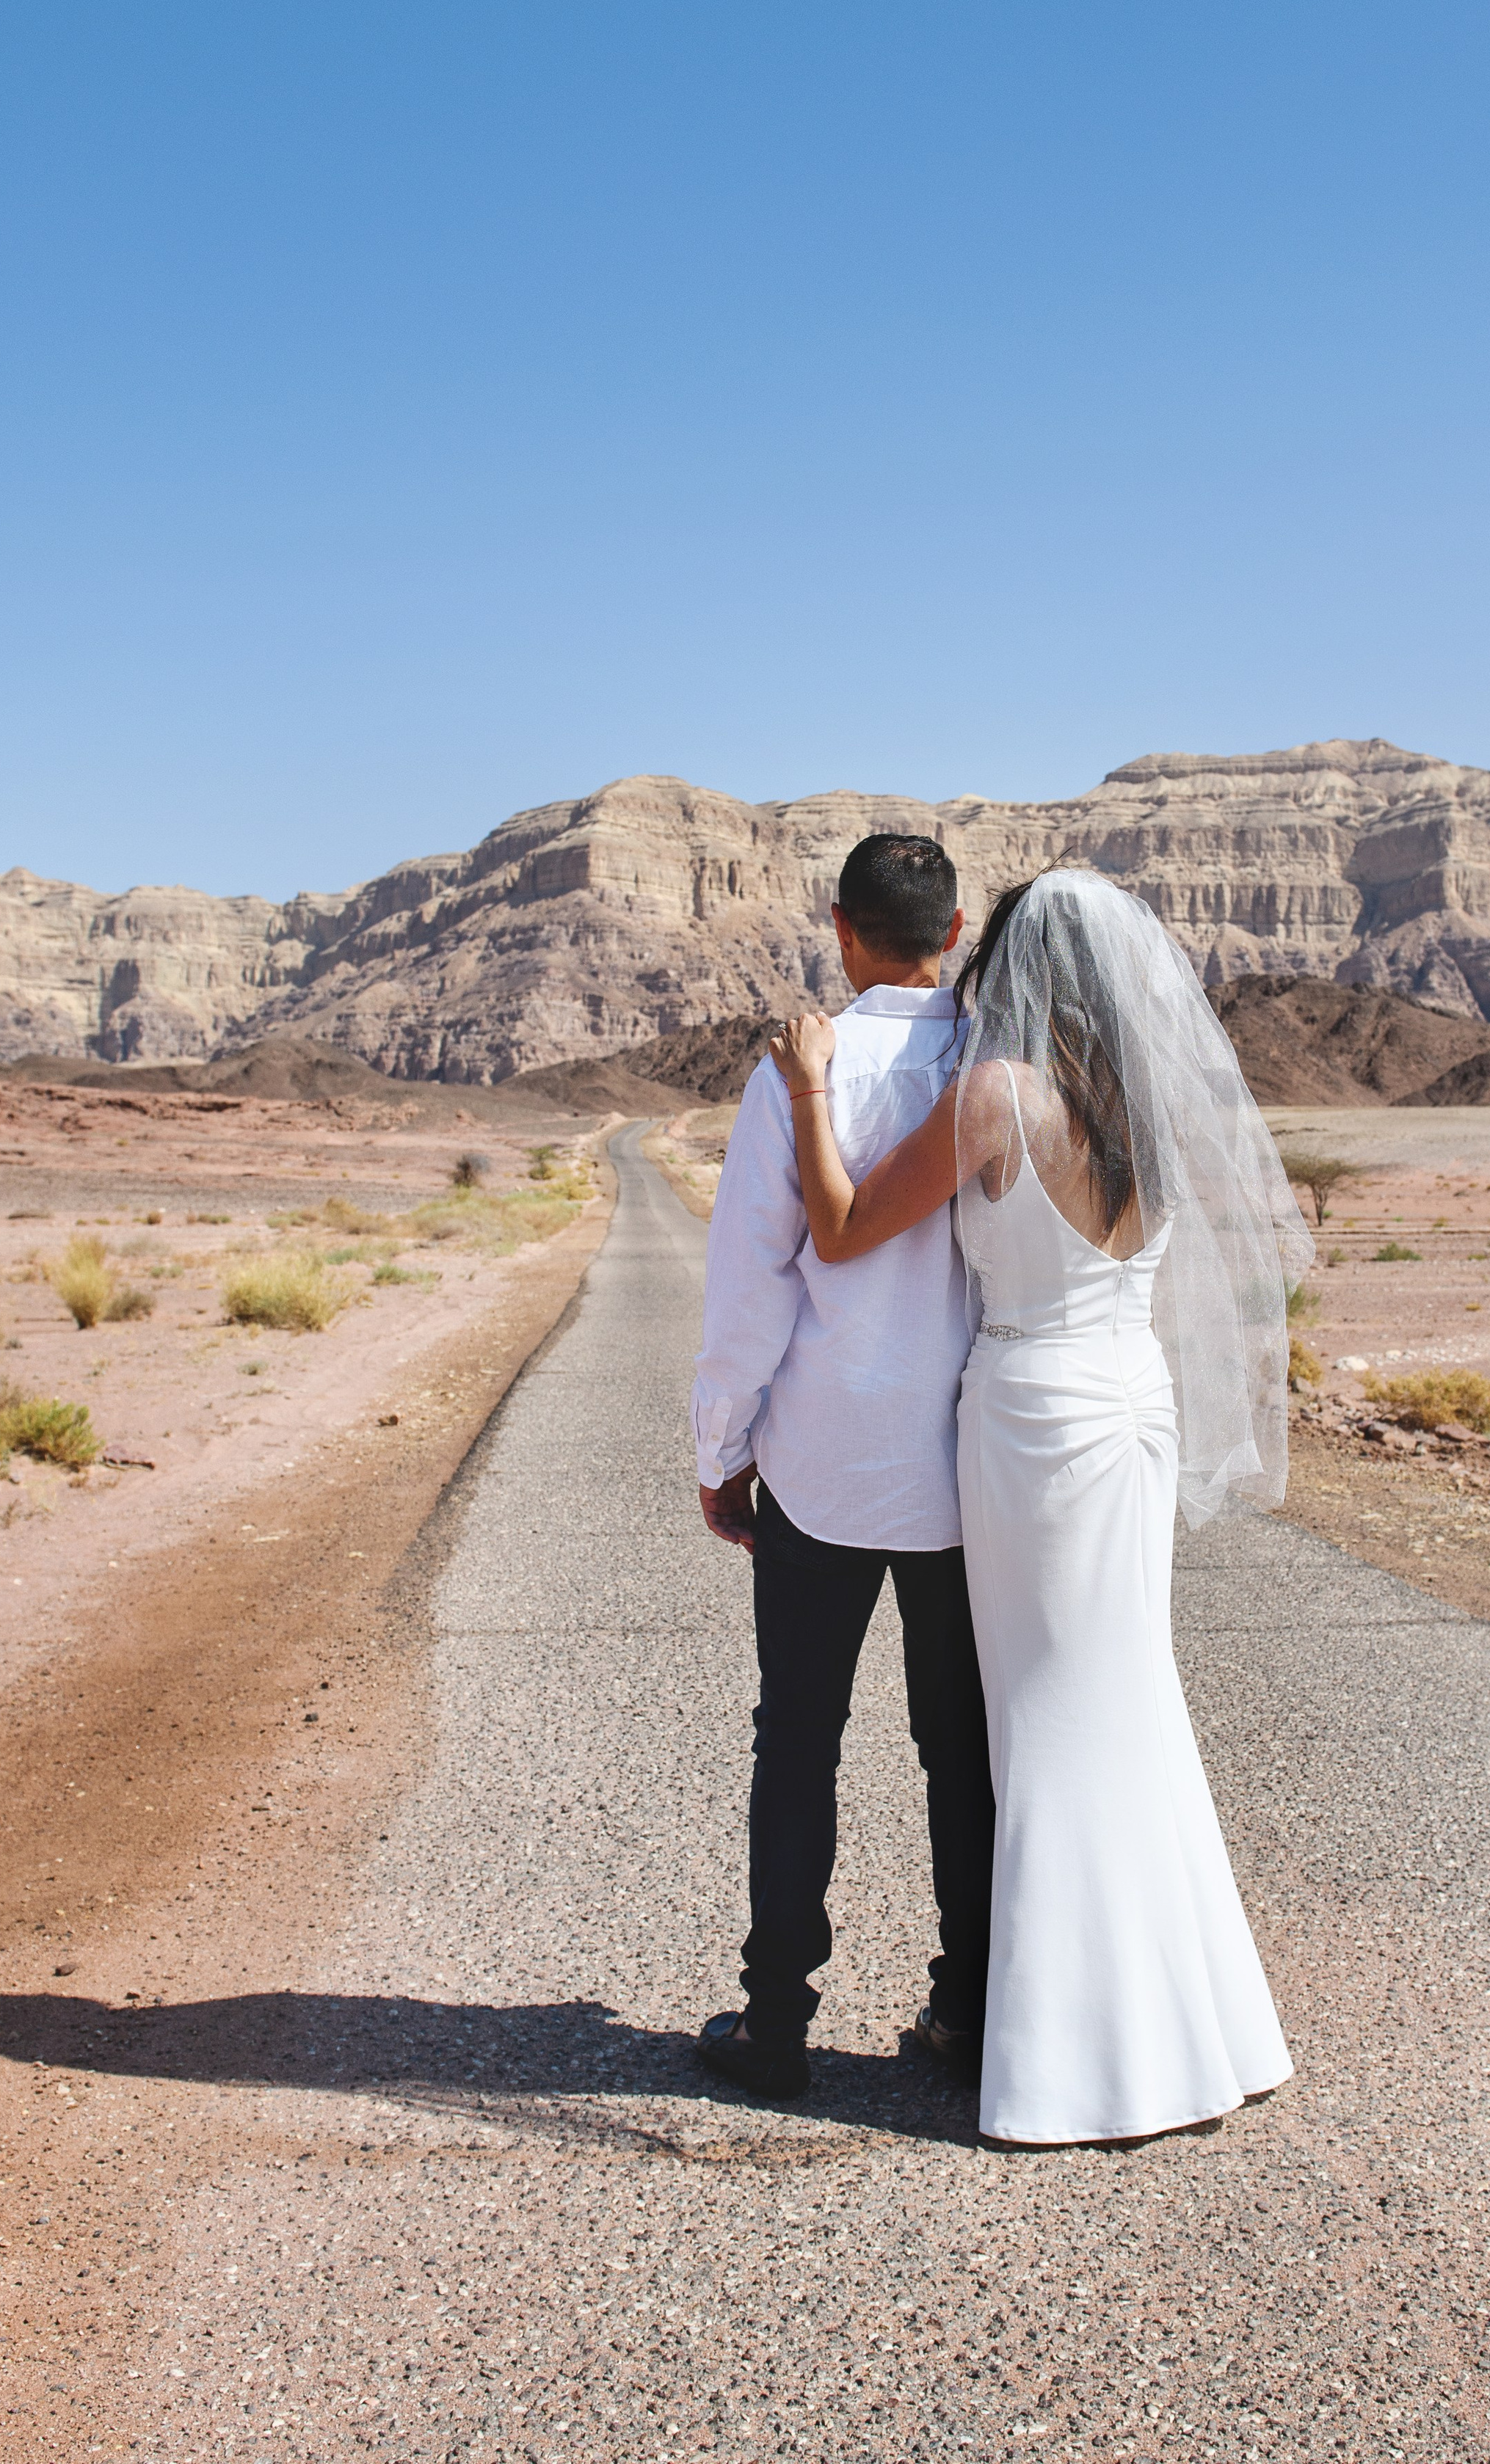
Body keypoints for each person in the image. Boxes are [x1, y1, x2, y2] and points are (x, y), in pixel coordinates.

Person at [766, 867, 1312, 2148]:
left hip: (1034, 1420)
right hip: (1133, 1410)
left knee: (1049, 1721)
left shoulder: (999, 1096)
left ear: (1009, 967)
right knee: (1127, 1696)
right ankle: (1202, 2026)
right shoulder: (1148, 1104)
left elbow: (841, 1230)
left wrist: (803, 1084)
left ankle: (1074, 2063)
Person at [689, 833, 997, 2102]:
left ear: (842, 928)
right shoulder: (1003, 1065)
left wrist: (724, 1452)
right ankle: (973, 2010)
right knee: (965, 1750)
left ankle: (775, 2025)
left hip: (819, 1466)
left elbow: (750, 1289)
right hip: (969, 1474)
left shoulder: (798, 1071)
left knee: (798, 1739)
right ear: (960, 926)